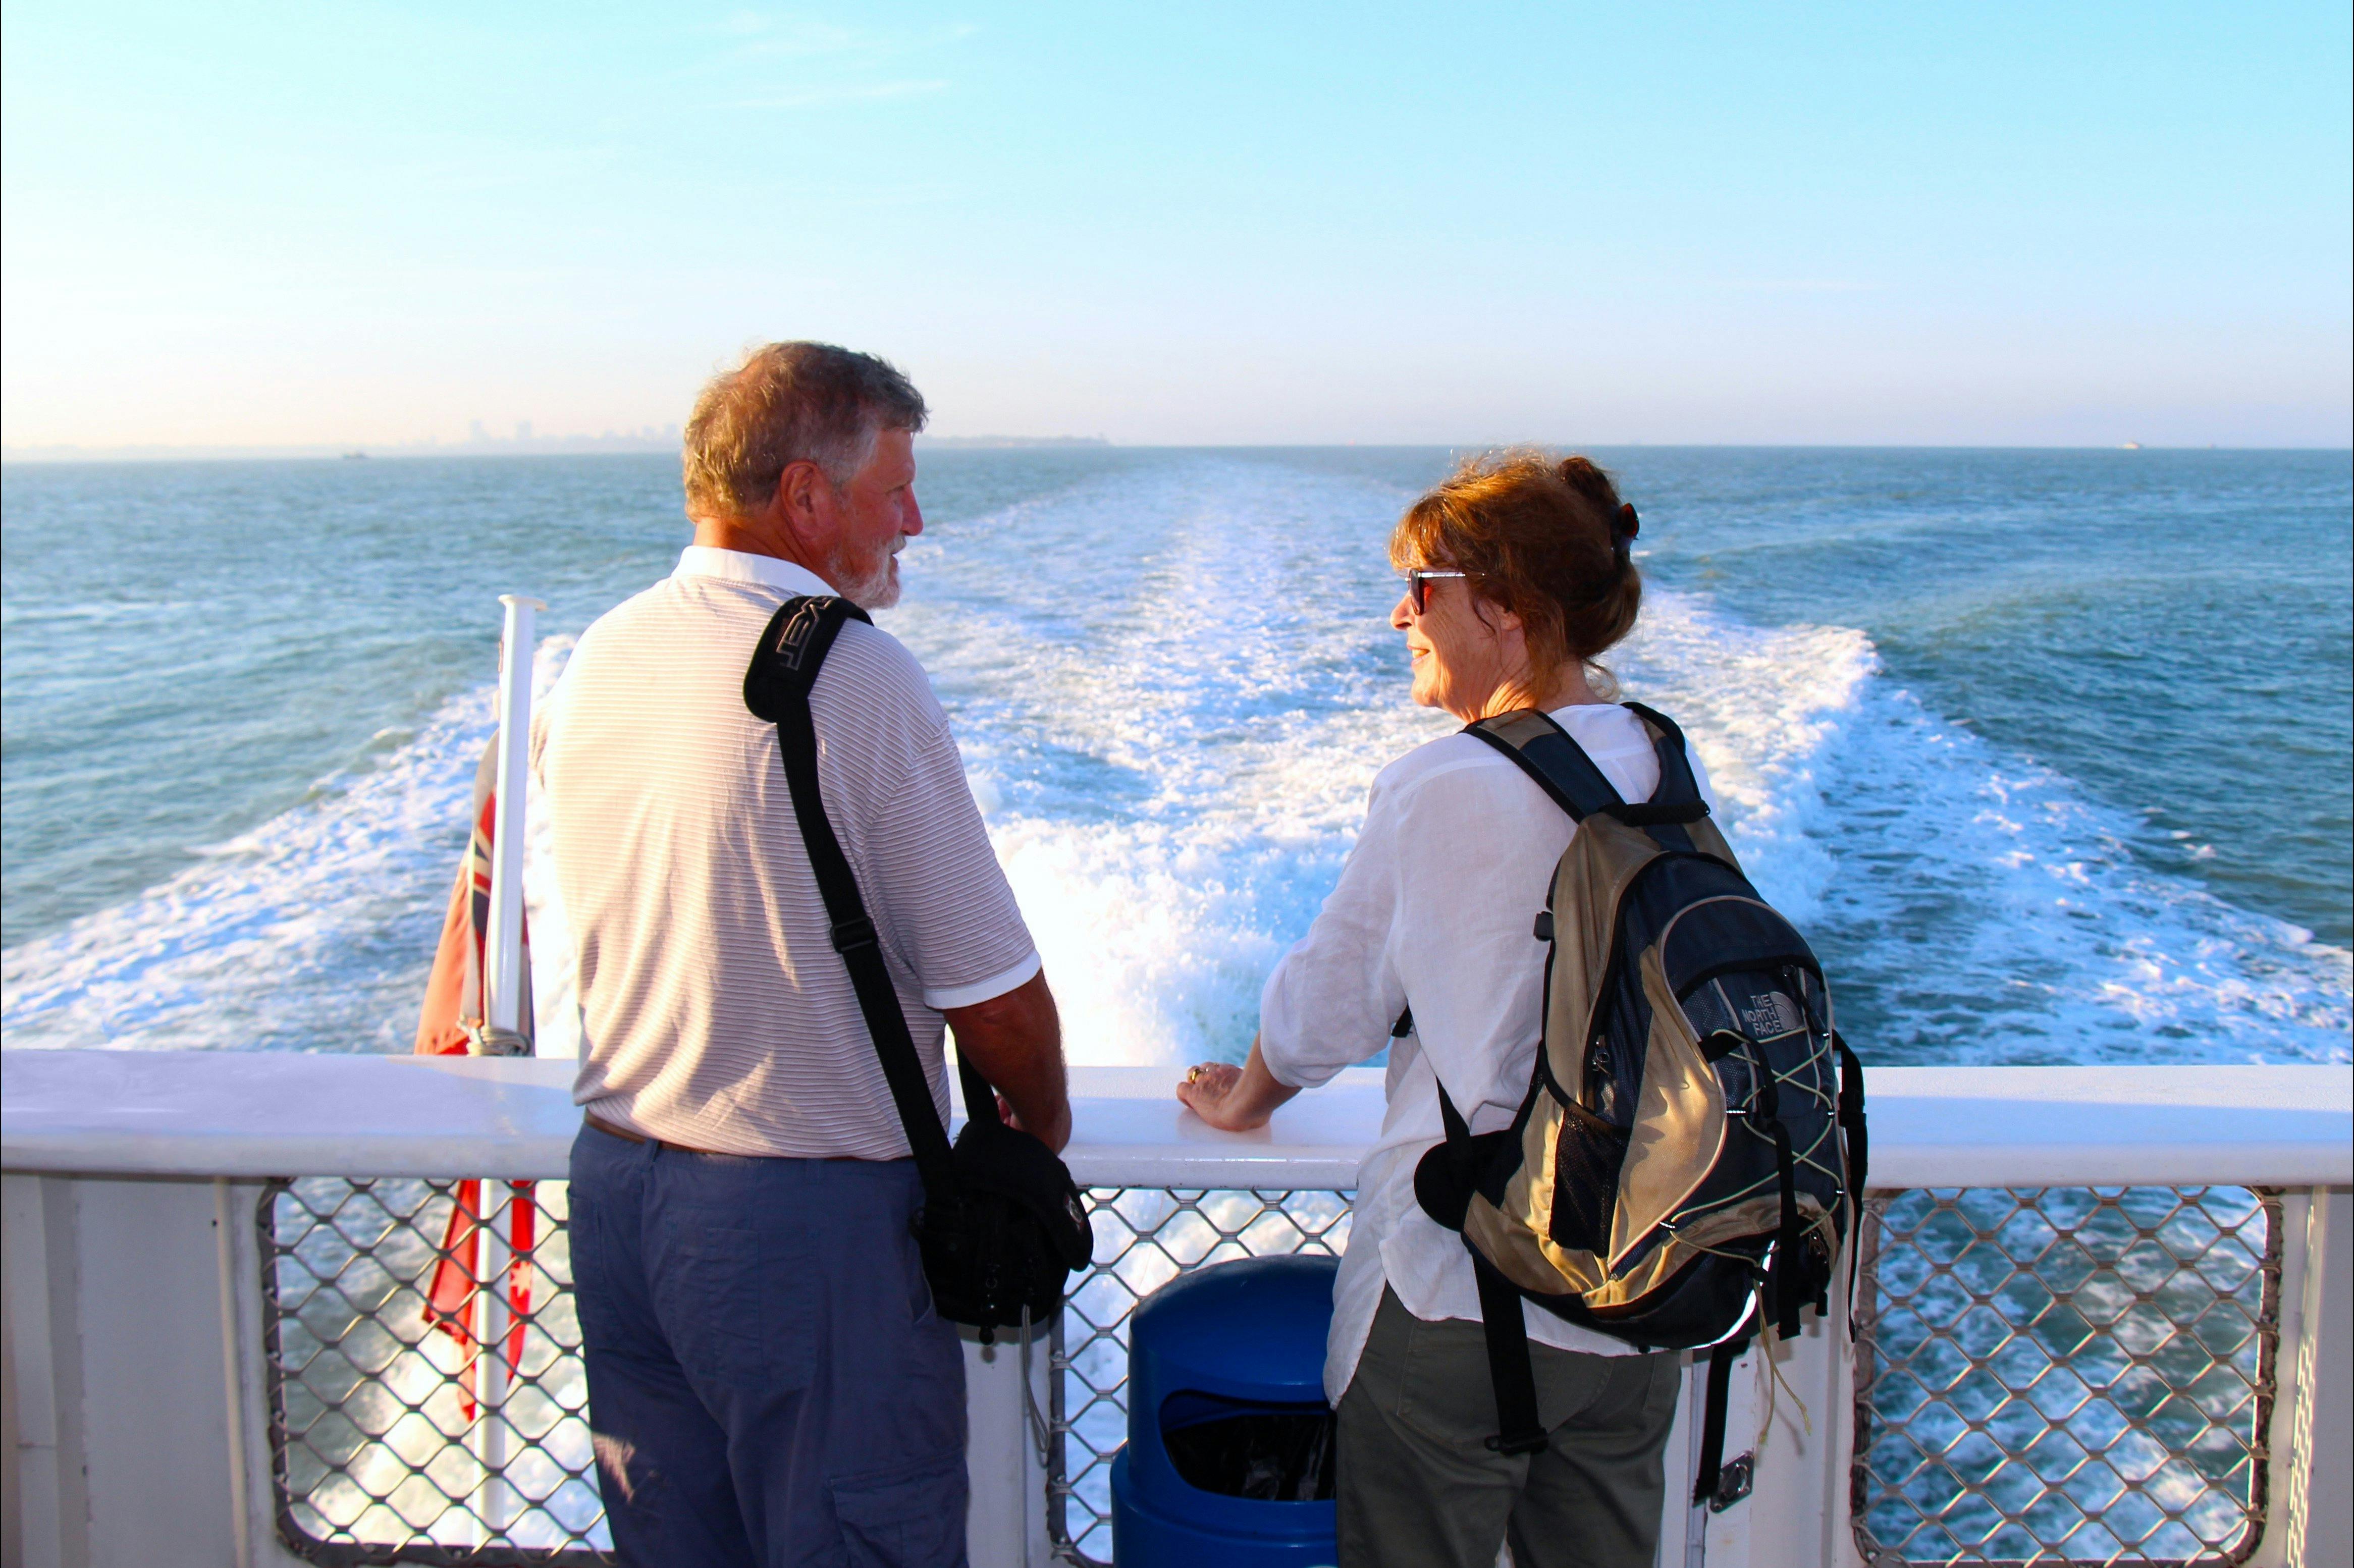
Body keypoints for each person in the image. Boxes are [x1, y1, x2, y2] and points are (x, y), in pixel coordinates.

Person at [534, 341, 1072, 1567]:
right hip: (802, 1224)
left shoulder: (601, 654)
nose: (916, 523)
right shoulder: (849, 673)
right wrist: (1036, 1124)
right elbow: (990, 994)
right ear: (806, 499)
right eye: (896, 492)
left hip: (619, 1194)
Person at [1176, 451, 1713, 1568]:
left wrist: (1246, 1099)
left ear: (1505, 611)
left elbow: (1326, 1009)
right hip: (1634, 1282)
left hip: (1457, 1295)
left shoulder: (1441, 786)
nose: (1397, 616)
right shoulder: (1661, 760)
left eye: (1420, 591)